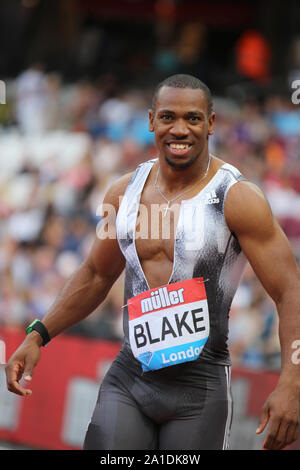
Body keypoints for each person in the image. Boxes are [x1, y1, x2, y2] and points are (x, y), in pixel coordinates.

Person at [5, 74, 300, 450]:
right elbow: (96, 274)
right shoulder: (123, 193)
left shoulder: (237, 198)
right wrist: (38, 334)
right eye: (168, 117)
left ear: (211, 123)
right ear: (150, 121)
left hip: (200, 386)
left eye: (193, 118)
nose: (180, 129)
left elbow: (290, 291)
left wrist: (292, 382)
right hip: (131, 377)